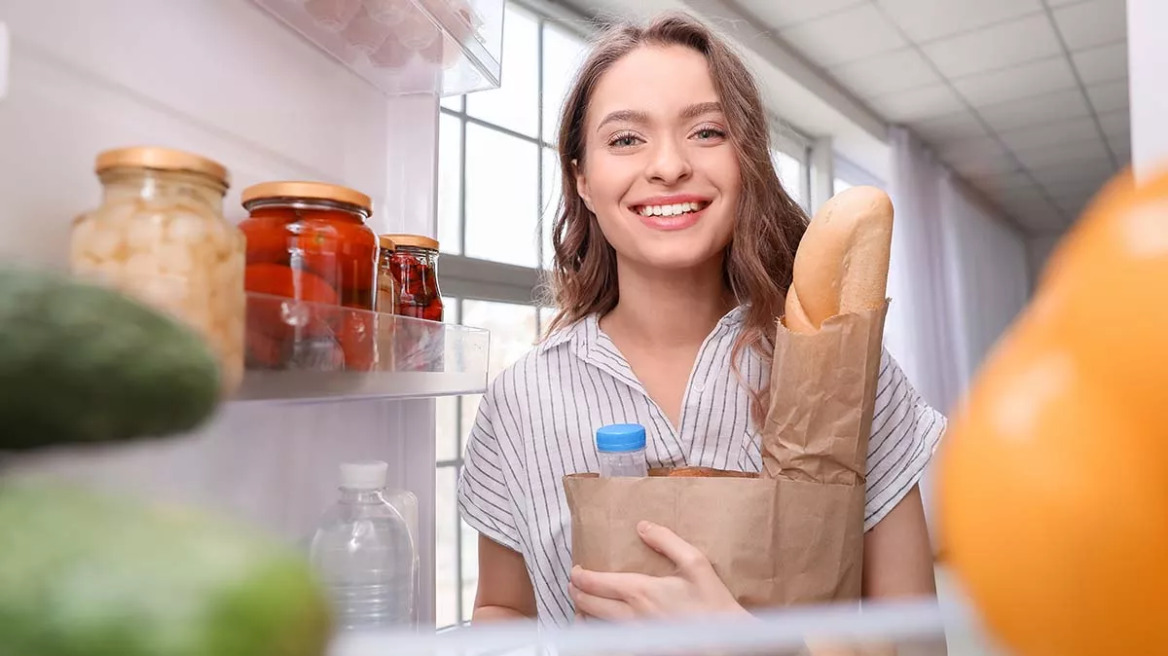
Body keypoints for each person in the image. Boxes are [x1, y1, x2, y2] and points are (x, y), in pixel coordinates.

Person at [457, 11, 944, 625]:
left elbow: (917, 639)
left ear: (747, 161)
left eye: (707, 132)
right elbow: (503, 609)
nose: (668, 166)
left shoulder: (849, 374)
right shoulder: (517, 403)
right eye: (626, 138)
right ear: (581, 178)